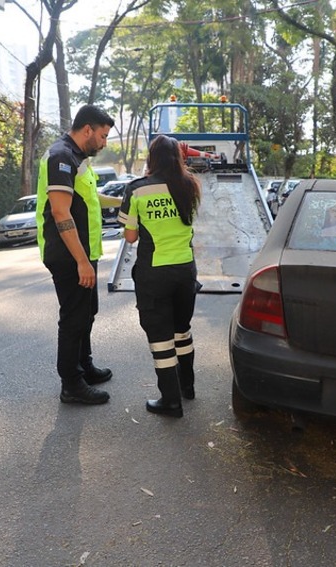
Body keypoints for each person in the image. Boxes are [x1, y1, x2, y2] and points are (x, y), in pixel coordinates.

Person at [36, 104, 117, 405]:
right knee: (73, 318)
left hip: (84, 251)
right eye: (103, 136)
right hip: (69, 255)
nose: (104, 143)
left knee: (87, 312)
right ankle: (71, 383)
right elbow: (60, 212)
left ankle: (85, 366)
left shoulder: (76, 157)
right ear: (87, 130)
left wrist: (124, 201)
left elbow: (90, 197)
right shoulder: (62, 156)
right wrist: (82, 261)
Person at [118, 134, 202, 418]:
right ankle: (187, 387)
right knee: (182, 330)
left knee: (161, 337)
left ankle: (170, 401)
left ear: (152, 159)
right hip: (185, 270)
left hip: (154, 273)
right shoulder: (190, 185)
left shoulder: (138, 189)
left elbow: (130, 237)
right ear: (177, 158)